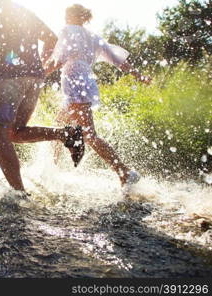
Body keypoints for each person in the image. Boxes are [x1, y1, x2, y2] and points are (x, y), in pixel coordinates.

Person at [0, 0, 84, 192]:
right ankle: (65, 133)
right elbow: (52, 39)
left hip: (8, 77)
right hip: (34, 79)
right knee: (15, 131)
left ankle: (19, 194)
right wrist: (39, 68)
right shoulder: (24, 11)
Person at [45, 4, 151, 188]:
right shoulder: (93, 37)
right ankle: (51, 172)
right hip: (83, 82)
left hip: (75, 83)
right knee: (58, 125)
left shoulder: (68, 30)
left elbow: (59, 59)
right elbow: (118, 61)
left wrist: (39, 74)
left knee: (89, 135)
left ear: (71, 16)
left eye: (66, 15)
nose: (64, 19)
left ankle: (124, 172)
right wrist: (138, 75)